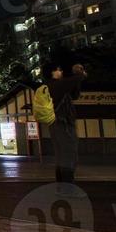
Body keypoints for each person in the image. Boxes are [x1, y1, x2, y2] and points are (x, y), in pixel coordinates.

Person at [45, 59, 87, 188]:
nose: (61, 72)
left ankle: (62, 186)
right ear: (52, 72)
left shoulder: (55, 86)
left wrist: (77, 78)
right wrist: (79, 73)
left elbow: (75, 94)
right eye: (58, 70)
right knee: (68, 153)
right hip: (62, 123)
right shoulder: (54, 85)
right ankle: (68, 186)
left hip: (58, 123)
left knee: (61, 154)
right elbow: (72, 81)